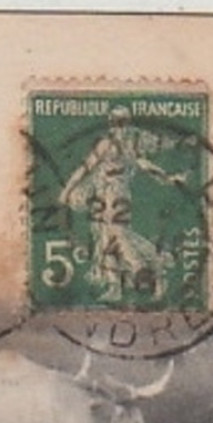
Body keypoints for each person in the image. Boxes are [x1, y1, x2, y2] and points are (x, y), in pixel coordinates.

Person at [59, 107, 186, 302]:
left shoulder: (129, 145)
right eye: (117, 123)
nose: (121, 127)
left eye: (123, 122)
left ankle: (152, 269)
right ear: (111, 124)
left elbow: (146, 166)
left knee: (119, 235)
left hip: (118, 197)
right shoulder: (105, 144)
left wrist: (168, 178)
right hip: (102, 196)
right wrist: (67, 191)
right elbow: (84, 169)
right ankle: (116, 286)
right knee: (106, 237)